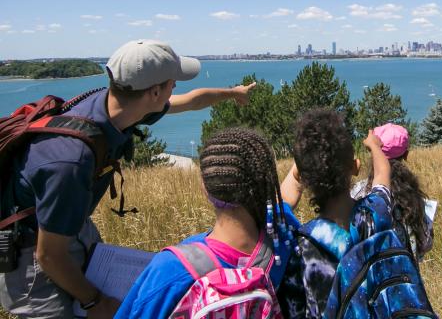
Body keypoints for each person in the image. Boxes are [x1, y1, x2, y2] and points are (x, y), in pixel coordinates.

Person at [0, 40, 256, 319]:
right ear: (155, 91)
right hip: (34, 258)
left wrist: (233, 93)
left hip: (66, 228)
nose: (175, 88)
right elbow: (49, 256)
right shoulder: (70, 161)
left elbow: (192, 100)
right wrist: (94, 302)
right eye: (172, 83)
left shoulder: (117, 105)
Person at [115, 127, 302, 318]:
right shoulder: (282, 242)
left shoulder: (172, 269)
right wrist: (298, 171)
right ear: (265, 182)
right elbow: (283, 202)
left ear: (205, 188)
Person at [279, 108, 392, 318]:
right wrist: (374, 146)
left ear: (303, 178)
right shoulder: (377, 213)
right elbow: (383, 174)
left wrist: (305, 166)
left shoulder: (298, 248)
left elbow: (279, 206)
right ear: (355, 167)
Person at [353, 123, 433, 260]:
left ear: (373, 155)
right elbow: (425, 244)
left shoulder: (358, 191)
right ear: (406, 155)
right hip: (406, 276)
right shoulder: (413, 197)